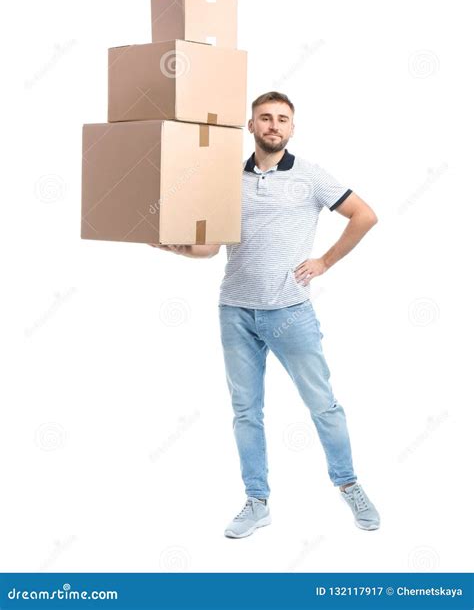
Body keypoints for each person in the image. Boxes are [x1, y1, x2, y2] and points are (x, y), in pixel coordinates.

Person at [150, 91, 380, 538]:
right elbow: (211, 247)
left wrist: (324, 262)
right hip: (235, 310)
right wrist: (175, 247)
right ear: (251, 126)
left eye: (282, 119)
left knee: (323, 405)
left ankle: (348, 484)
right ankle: (256, 502)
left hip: (290, 313)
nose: (274, 125)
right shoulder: (224, 180)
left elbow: (364, 216)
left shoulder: (310, 177)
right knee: (245, 411)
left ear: (292, 128)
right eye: (265, 118)